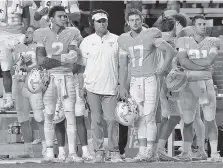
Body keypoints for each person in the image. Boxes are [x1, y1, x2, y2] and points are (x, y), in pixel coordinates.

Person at [118, 8, 175, 162]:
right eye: (132, 20)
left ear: (142, 20)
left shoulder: (151, 34)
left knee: (149, 116)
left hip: (150, 78)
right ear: (127, 22)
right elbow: (123, 66)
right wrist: (122, 85)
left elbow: (170, 51)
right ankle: (142, 151)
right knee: (138, 118)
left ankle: (150, 150)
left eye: (137, 19)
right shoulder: (123, 39)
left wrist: (163, 69)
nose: (135, 22)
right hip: (135, 81)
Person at [33, 5, 83, 163]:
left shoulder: (72, 32)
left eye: (65, 16)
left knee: (70, 115)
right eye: (60, 16)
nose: (64, 18)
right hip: (49, 77)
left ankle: (72, 153)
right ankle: (49, 152)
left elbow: (75, 55)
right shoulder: (42, 33)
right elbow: (41, 61)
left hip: (67, 77)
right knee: (49, 115)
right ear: (51, 18)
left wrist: (55, 60)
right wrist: (63, 58)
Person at [156, 15, 207, 161]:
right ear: (175, 25)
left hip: (162, 84)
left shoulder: (157, 40)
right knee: (189, 117)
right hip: (174, 84)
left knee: (172, 117)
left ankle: (159, 149)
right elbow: (176, 66)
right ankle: (193, 151)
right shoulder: (175, 41)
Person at [78, 9, 122, 163]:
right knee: (95, 120)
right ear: (93, 23)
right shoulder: (86, 41)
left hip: (111, 87)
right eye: (99, 21)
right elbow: (81, 67)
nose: (102, 23)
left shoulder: (117, 40)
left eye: (104, 20)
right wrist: (81, 86)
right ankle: (98, 152)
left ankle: (114, 151)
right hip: (91, 88)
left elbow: (122, 66)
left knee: (111, 120)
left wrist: (121, 84)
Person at [176, 15, 220, 162]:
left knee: (210, 119)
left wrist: (191, 64)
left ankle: (214, 153)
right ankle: (187, 152)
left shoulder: (212, 41)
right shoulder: (184, 41)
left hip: (206, 84)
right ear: (193, 27)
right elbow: (182, 61)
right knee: (188, 120)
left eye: (204, 23)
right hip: (189, 84)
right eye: (200, 24)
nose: (203, 26)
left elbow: (210, 60)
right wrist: (201, 67)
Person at [13, 26, 46, 158]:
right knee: (23, 118)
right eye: (25, 32)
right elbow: (12, 67)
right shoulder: (17, 47)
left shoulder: (39, 47)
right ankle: (28, 151)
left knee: (40, 118)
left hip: (34, 85)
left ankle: (46, 149)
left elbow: (43, 63)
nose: (27, 34)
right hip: (19, 84)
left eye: (30, 32)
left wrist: (29, 66)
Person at [0, 0, 32, 111]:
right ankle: (9, 100)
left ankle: (27, 97)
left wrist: (24, 31)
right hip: (2, 35)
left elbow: (26, 18)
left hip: (18, 35)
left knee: (24, 67)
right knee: (6, 69)